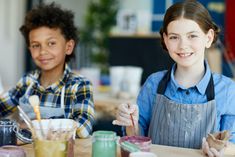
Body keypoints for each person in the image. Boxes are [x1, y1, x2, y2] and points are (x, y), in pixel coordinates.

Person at [113, 0, 235, 156]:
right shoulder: (153, 83)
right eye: (174, 37)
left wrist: (220, 150)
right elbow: (135, 140)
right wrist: (130, 121)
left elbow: (233, 145)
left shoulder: (227, 90)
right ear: (165, 39)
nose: (183, 45)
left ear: (208, 38)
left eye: (192, 36)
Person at [0, 2, 95, 138]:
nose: (43, 51)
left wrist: (35, 126)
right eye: (35, 45)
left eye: (51, 43)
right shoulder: (27, 82)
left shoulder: (80, 86)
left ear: (68, 47)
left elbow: (83, 130)